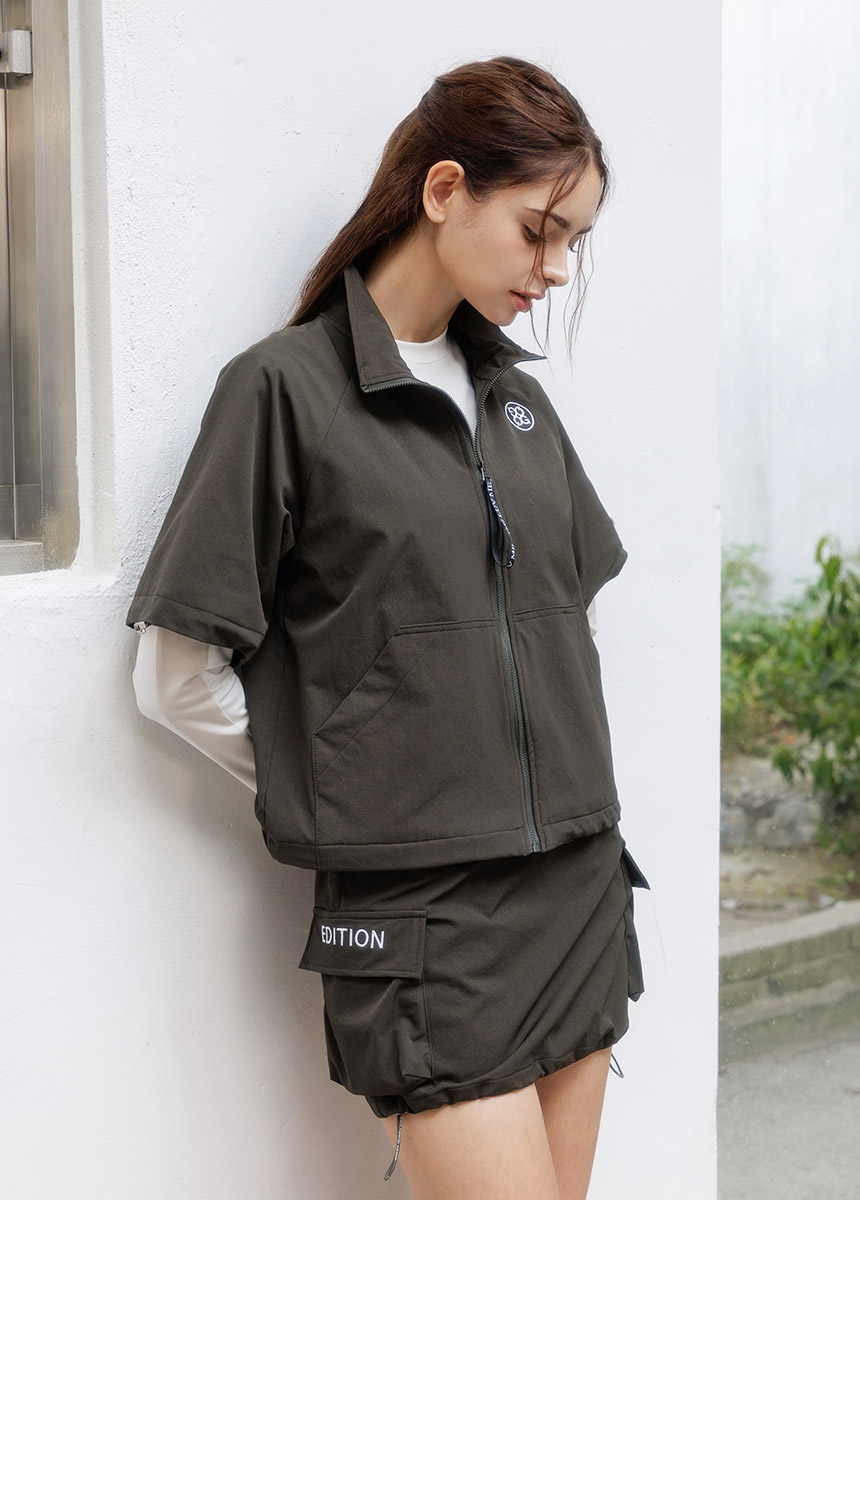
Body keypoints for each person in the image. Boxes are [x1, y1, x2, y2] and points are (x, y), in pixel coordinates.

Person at [125, 55, 650, 1200]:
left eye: (574, 242)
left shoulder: (515, 400)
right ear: (444, 189)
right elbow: (175, 677)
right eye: (539, 231)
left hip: (575, 889)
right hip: (425, 921)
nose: (556, 269)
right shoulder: (285, 391)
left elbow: (557, 617)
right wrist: (349, 784)